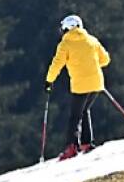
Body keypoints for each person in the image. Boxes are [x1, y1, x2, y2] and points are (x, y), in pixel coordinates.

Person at [44, 14, 111, 161]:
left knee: (75, 116)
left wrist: (49, 81)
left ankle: (72, 147)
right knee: (84, 110)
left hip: (80, 86)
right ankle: (87, 143)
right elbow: (105, 59)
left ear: (67, 28)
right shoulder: (91, 40)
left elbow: (57, 64)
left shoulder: (65, 44)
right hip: (97, 83)